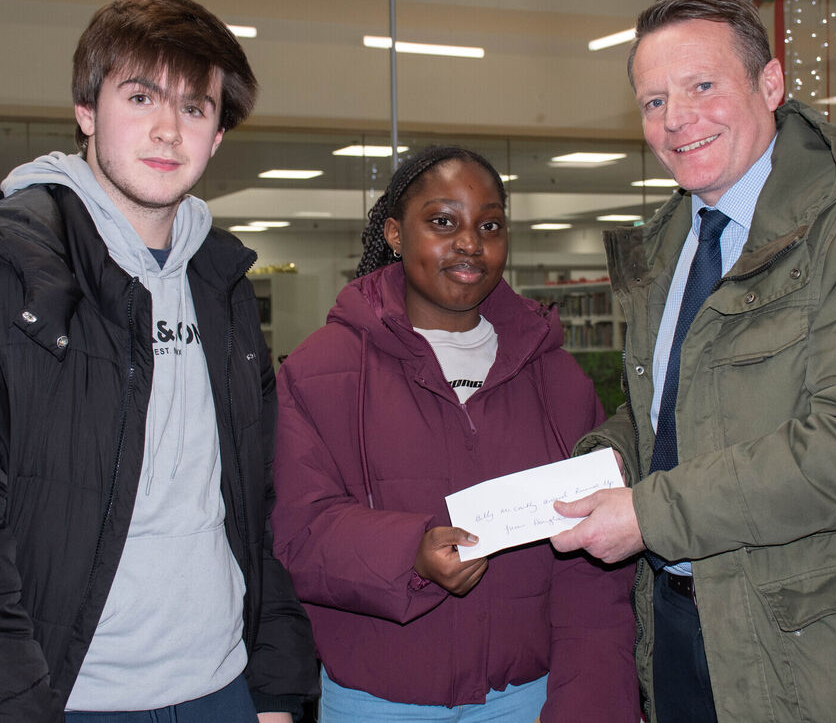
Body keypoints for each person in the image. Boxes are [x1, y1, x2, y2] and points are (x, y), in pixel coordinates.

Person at [0, 0, 316, 722]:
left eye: (196, 108)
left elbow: (252, 504)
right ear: (87, 109)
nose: (168, 129)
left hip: (219, 689)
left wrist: (272, 686)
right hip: (59, 696)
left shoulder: (223, 287)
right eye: (141, 95)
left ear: (216, 137)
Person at [549, 0, 836, 722]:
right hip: (685, 629)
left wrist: (649, 511)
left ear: (771, 84)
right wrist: (607, 462)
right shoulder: (667, 244)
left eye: (702, 87)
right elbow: (681, 412)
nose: (676, 119)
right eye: (653, 101)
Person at [270, 146, 639, 722]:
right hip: (376, 704)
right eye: (443, 222)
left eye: (488, 225)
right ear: (395, 233)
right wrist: (406, 556)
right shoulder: (321, 371)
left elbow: (594, 571)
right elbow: (298, 533)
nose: (470, 242)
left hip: (529, 700)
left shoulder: (557, 381)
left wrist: (592, 704)